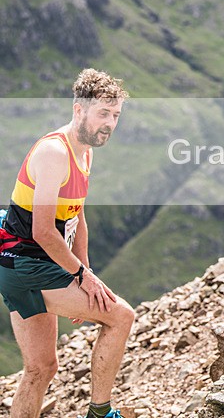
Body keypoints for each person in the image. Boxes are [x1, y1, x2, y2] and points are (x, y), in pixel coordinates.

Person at [0, 69, 134, 418]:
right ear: (79, 110)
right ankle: (100, 413)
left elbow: (77, 217)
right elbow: (44, 230)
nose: (109, 123)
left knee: (41, 368)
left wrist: (85, 272)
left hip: (23, 263)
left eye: (115, 115)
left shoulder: (85, 152)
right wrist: (80, 278)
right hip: (26, 261)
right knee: (121, 316)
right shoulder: (54, 153)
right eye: (103, 113)